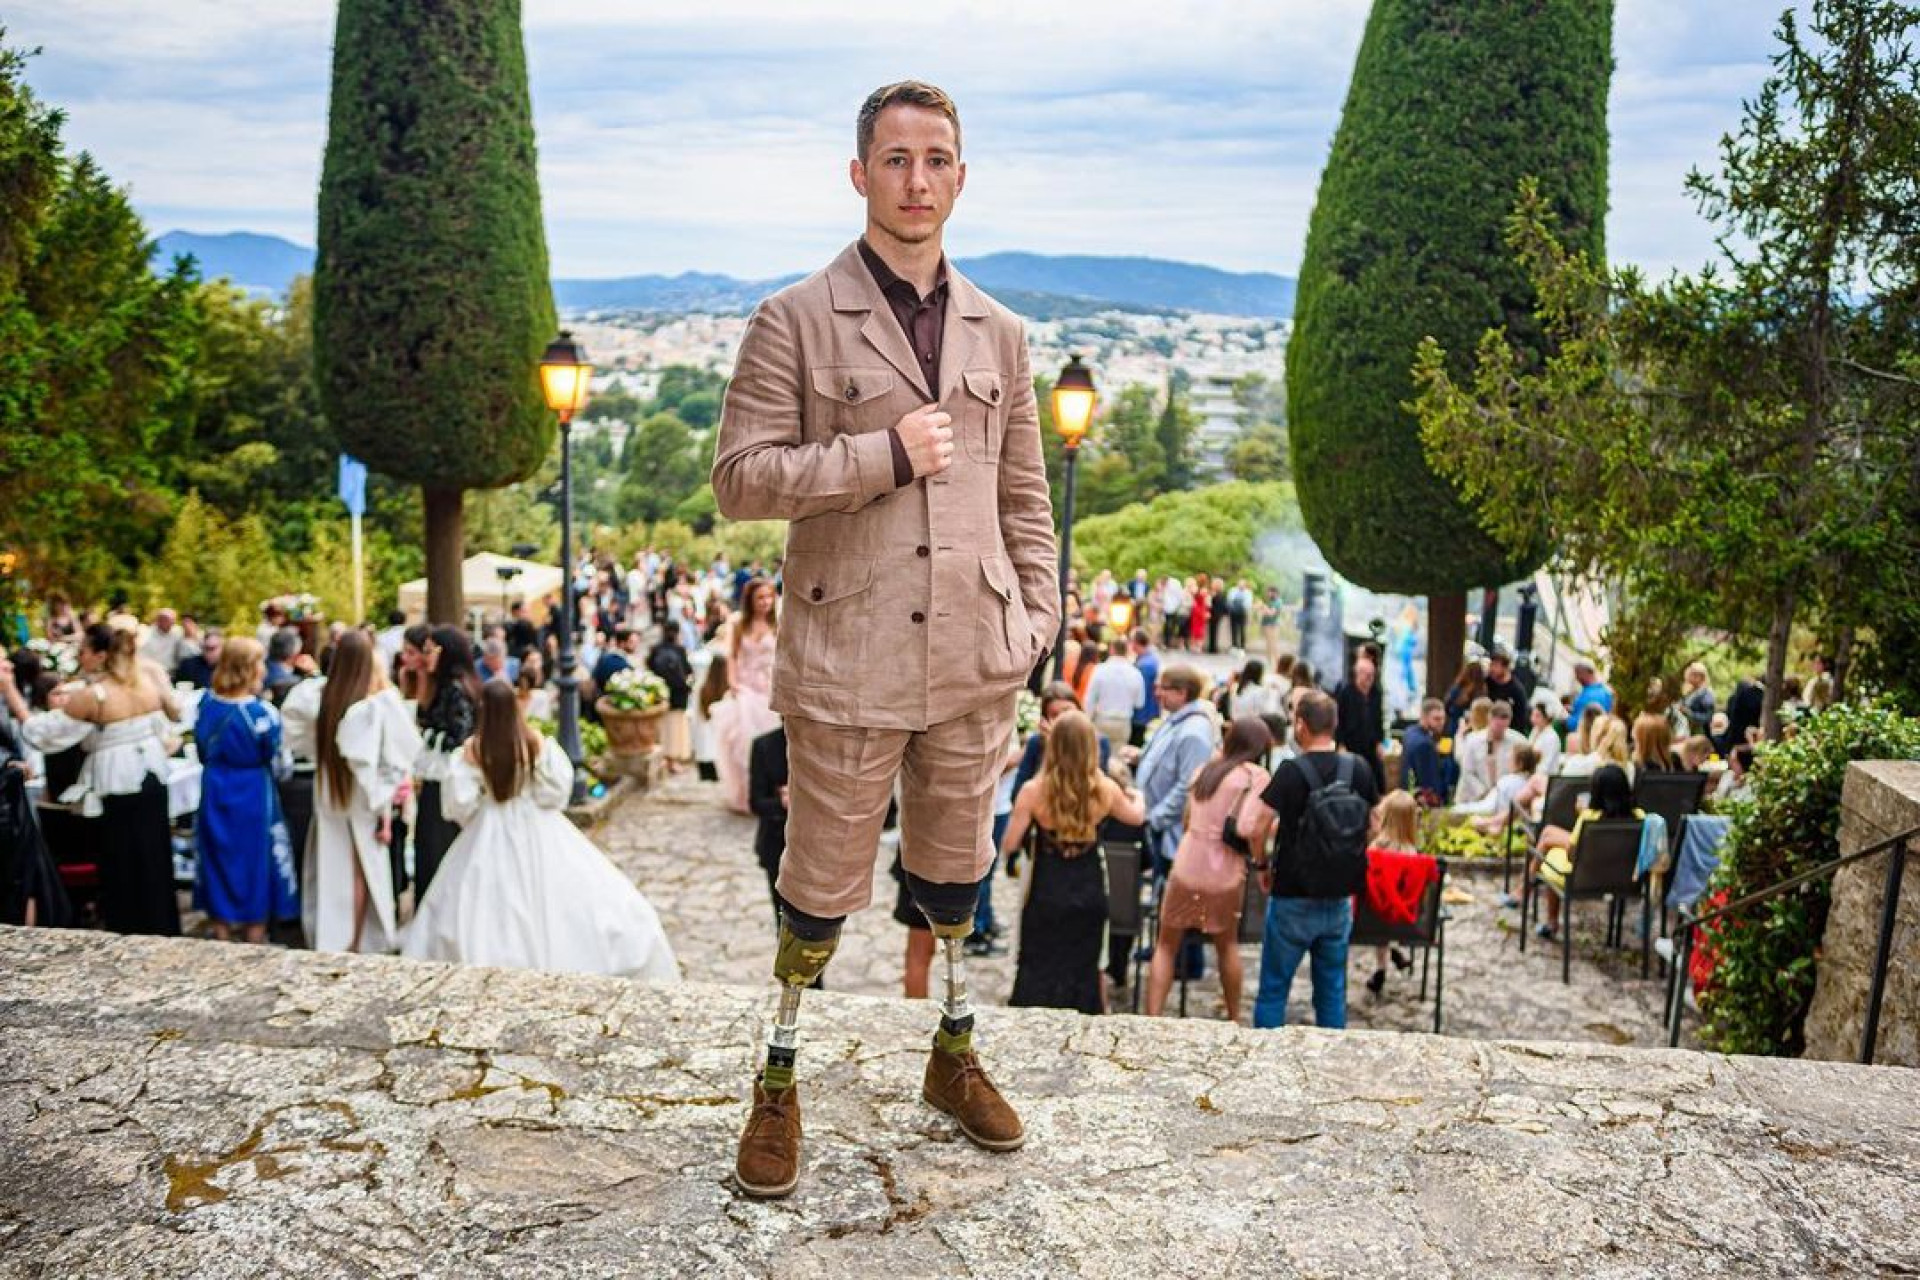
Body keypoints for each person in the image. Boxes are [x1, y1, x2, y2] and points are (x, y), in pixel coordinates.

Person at [711, 81, 1059, 1197]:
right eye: (896, 159)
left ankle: (952, 1053)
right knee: (818, 884)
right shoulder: (794, 318)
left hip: (975, 659)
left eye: (938, 159)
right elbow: (740, 480)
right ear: (859, 174)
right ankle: (778, 1071)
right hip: (848, 656)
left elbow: (1026, 498)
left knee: (955, 874)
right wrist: (882, 455)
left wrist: (1035, 619)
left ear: (962, 176)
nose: (918, 180)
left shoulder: (1000, 331)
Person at [404, 681, 678, 980]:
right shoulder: (534, 742)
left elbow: (459, 803)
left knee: (479, 902)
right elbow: (556, 792)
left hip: (489, 822)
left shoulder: (473, 750)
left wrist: (480, 812)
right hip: (534, 820)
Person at [17, 621, 180, 935]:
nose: (79, 657)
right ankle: (160, 925)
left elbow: (43, 734)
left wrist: (13, 697)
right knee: (153, 859)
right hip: (151, 778)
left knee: (124, 860)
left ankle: (130, 926)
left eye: (83, 651)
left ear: (100, 655)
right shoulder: (143, 682)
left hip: (119, 782)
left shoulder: (94, 696)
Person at [1248, 689, 1378, 1029]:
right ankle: (1330, 1065)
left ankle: (1263, 1062)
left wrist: (1261, 865)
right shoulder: (1359, 769)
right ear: (1334, 725)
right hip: (1338, 897)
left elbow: (1256, 826)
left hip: (1292, 892)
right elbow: (1375, 824)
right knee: (1332, 992)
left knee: (1274, 990)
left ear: (1301, 725)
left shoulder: (1291, 772)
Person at [283, 631, 420, 953]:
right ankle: (355, 940)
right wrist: (386, 806)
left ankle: (334, 934)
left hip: (330, 788)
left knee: (332, 863)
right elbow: (397, 754)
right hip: (361, 794)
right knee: (362, 868)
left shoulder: (318, 698)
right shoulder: (376, 705)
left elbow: (296, 736)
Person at [1002, 711, 1145, 1012]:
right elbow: (1136, 817)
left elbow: (1009, 844)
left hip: (1046, 887)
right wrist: (1137, 794)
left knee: (1040, 962)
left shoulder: (1033, 791)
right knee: (1083, 965)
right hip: (1088, 886)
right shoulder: (1104, 789)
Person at [1145, 716, 1271, 1020]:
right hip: (1224, 871)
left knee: (1165, 945)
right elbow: (1248, 827)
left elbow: (1187, 819)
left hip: (1187, 863)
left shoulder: (1206, 771)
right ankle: (1234, 1017)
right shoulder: (1256, 777)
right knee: (1226, 945)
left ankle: (1152, 1016)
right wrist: (1261, 860)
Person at [191, 637, 297, 944]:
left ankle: (221, 934)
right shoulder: (262, 714)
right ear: (250, 669)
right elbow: (281, 765)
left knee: (218, 857)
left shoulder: (206, 705)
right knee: (254, 862)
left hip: (214, 789)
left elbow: (200, 749)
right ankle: (255, 935)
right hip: (253, 794)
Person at [1530, 764, 1651, 940]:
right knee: (1550, 837)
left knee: (1552, 854)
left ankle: (1551, 920)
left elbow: (1573, 855)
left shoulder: (1589, 817)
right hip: (1623, 879)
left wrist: (1581, 813)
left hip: (1584, 879)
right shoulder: (1640, 816)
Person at [412, 626, 481, 900]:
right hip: (439, 778)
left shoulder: (455, 689)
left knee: (435, 846)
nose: (425, 656)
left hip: (445, 780)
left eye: (430, 650)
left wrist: (426, 737)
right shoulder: (442, 686)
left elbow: (458, 737)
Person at [710, 577, 780, 814]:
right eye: (760, 597)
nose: (766, 602)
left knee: (769, 742)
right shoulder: (739, 624)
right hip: (746, 687)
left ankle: (767, 793)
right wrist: (732, 682)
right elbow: (732, 655)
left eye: (769, 596)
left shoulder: (778, 623)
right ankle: (743, 794)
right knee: (740, 741)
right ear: (750, 600)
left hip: (770, 688)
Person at [1362, 790, 1423, 995]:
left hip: (1372, 919)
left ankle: (1381, 967)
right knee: (1392, 914)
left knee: (1382, 913)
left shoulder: (1374, 850)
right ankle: (1395, 950)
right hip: (1404, 922)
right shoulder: (1412, 854)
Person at [1333, 652, 1387, 790]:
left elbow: (1378, 719)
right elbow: (1338, 720)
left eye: (1372, 676)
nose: (1369, 679)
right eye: (1366, 675)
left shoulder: (1376, 693)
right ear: (1358, 674)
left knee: (1376, 779)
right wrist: (1340, 744)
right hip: (1351, 743)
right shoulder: (1345, 692)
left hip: (1370, 744)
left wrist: (1379, 742)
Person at [1453, 701, 1518, 806]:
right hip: (1473, 798)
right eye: (1496, 725)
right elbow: (1467, 771)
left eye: (1503, 726)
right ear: (1490, 719)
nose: (1499, 729)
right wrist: (1484, 792)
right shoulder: (1473, 740)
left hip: (1502, 798)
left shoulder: (1517, 742)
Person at [647, 629, 694, 771]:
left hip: (660, 696)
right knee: (674, 731)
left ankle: (666, 760)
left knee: (663, 729)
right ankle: (671, 762)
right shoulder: (679, 650)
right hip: (677, 696)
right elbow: (687, 670)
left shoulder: (656, 649)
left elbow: (650, 667)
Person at [1084, 636, 1143, 750]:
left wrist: (1088, 719)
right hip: (1123, 722)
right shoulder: (1135, 673)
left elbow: (1089, 699)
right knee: (1118, 759)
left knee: (1098, 756)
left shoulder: (1099, 670)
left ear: (1111, 649)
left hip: (1102, 719)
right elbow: (1139, 703)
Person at [1399, 697, 1455, 806]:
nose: (1441, 723)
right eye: (1436, 719)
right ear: (1424, 717)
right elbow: (1430, 783)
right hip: (1421, 802)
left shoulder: (1410, 731)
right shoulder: (1425, 744)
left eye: (1443, 718)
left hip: (1408, 797)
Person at [692, 652, 728, 783]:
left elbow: (696, 714)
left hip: (704, 734)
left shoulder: (702, 687)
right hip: (720, 739)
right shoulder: (727, 688)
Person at [140, 607, 196, 678]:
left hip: (173, 673)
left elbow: (190, 649)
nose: (167, 623)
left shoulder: (178, 632)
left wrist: (190, 634)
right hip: (152, 674)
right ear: (158, 620)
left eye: (171, 620)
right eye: (163, 619)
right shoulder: (147, 634)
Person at [1128, 629, 1161, 748]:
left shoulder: (1146, 665)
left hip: (1142, 714)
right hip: (1144, 713)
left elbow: (1142, 691)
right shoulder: (1148, 659)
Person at [1565, 660, 1615, 733]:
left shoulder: (1589, 695)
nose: (1576, 677)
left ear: (1585, 672)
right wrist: (1573, 710)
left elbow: (1576, 725)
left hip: (1585, 738)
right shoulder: (1605, 692)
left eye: (1577, 673)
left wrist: (1566, 718)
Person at [1441, 658, 1486, 738]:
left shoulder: (1457, 688)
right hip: (1475, 727)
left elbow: (1447, 705)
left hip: (1455, 724)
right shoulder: (1482, 691)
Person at [1483, 648, 1526, 724]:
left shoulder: (1516, 690)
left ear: (1505, 667)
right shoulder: (1487, 681)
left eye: (1495, 665)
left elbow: (1520, 719)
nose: (1491, 668)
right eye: (1491, 664)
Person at [1528, 692, 1564, 778]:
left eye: (1537, 716)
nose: (1533, 719)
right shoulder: (1535, 731)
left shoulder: (1551, 737)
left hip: (1546, 778)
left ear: (1547, 717)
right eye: (1533, 715)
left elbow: (1545, 766)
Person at [1680, 662, 1716, 736]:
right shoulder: (1689, 692)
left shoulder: (1706, 693)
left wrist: (1689, 713)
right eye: (1691, 673)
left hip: (1699, 734)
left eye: (1694, 674)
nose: (1691, 676)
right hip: (1686, 732)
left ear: (1701, 677)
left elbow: (1707, 717)